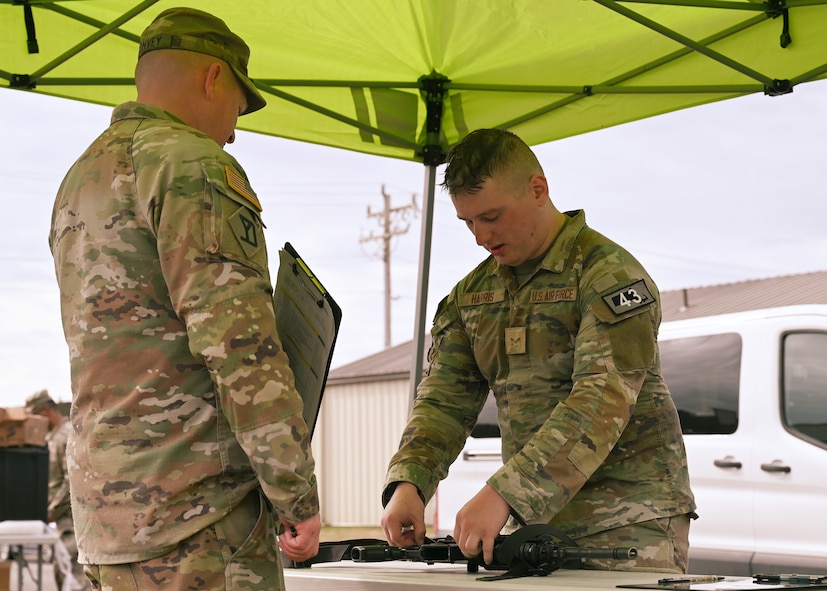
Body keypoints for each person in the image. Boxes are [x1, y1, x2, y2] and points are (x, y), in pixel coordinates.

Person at [48, 7, 320, 590]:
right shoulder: (192, 163)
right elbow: (241, 348)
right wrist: (295, 493)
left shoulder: (78, 179)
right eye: (238, 110)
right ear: (214, 78)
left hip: (108, 522)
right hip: (198, 522)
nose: (233, 131)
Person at [381, 128, 697, 573]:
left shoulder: (609, 276)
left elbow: (601, 400)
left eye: (491, 216)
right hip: (535, 527)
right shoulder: (471, 296)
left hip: (627, 523)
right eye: (468, 222)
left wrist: (506, 492)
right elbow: (443, 402)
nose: (480, 236)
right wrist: (410, 482)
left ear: (537, 189)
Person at [25, 389, 89, 591]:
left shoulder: (65, 435)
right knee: (61, 571)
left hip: (70, 518)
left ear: (45, 411)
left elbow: (71, 481)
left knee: (75, 573)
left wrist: (53, 510)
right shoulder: (51, 437)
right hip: (60, 519)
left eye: (35, 415)